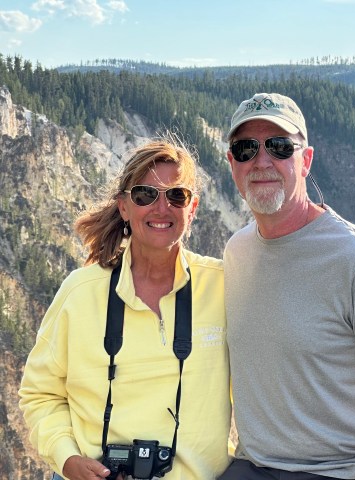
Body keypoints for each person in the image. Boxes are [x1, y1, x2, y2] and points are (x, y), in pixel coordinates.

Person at [221, 92, 355, 480]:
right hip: (250, 467)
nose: (262, 161)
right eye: (246, 148)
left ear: (305, 161)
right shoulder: (236, 252)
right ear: (232, 163)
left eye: (280, 146)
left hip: (338, 471)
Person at [18, 135, 231, 480]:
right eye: (145, 195)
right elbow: (39, 393)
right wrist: (68, 459)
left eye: (177, 195)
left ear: (192, 208)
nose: (162, 208)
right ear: (124, 206)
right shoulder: (80, 292)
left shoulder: (223, 287)